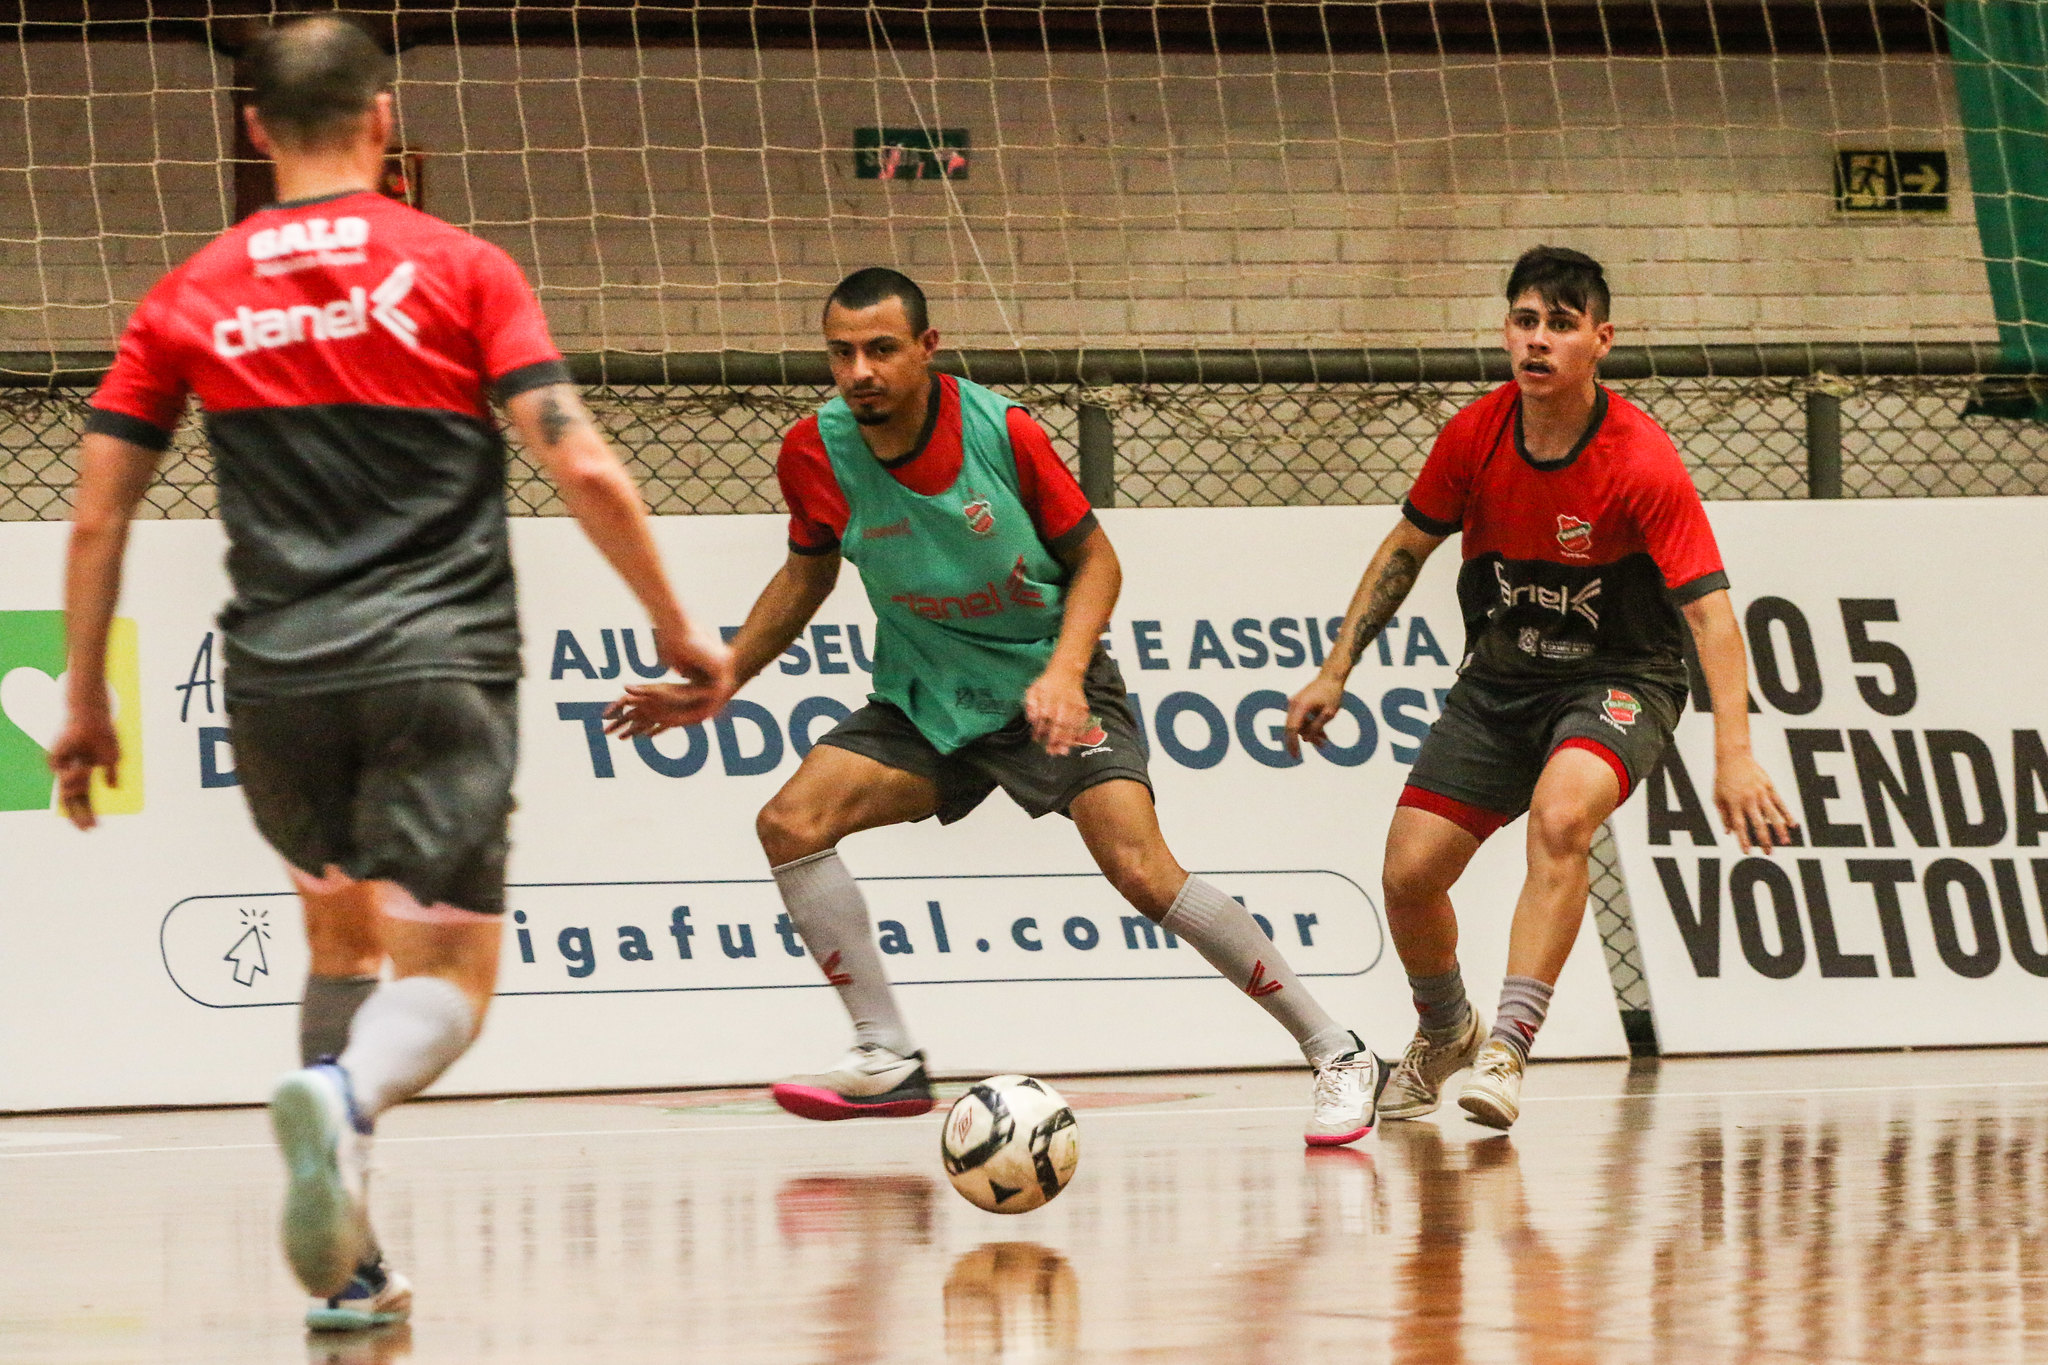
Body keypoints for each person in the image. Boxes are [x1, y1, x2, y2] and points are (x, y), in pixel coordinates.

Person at [49, 15, 732, 1330]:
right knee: (448, 982)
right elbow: (578, 458)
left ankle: (350, 1266)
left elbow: (97, 513)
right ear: (382, 124)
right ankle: (345, 1102)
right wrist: (676, 626)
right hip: (436, 665)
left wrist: (83, 695)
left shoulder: (186, 295)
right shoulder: (460, 269)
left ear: (254, 133)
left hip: (273, 683)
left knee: (338, 933)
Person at [606, 267, 1387, 1147]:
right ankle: (887, 1054)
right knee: (790, 821)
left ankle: (1338, 1049)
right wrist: (725, 676)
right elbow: (807, 571)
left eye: (881, 349)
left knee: (1141, 869)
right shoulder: (813, 451)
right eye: (841, 352)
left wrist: (1062, 671)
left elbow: (1100, 562)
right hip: (926, 696)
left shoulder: (1001, 431)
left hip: (1053, 680)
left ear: (928, 349)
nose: (860, 370)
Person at [1285, 246, 1794, 1130]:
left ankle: (1508, 1046)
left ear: (1601, 340)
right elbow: (1407, 548)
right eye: (1526, 320)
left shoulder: (1640, 460)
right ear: (1505, 331)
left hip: (1620, 679)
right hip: (1500, 682)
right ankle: (1447, 1029)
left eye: (1561, 324)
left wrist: (1736, 755)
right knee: (1408, 876)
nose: (1539, 339)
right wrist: (1338, 667)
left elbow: (1713, 619)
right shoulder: (1473, 436)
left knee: (1563, 817)